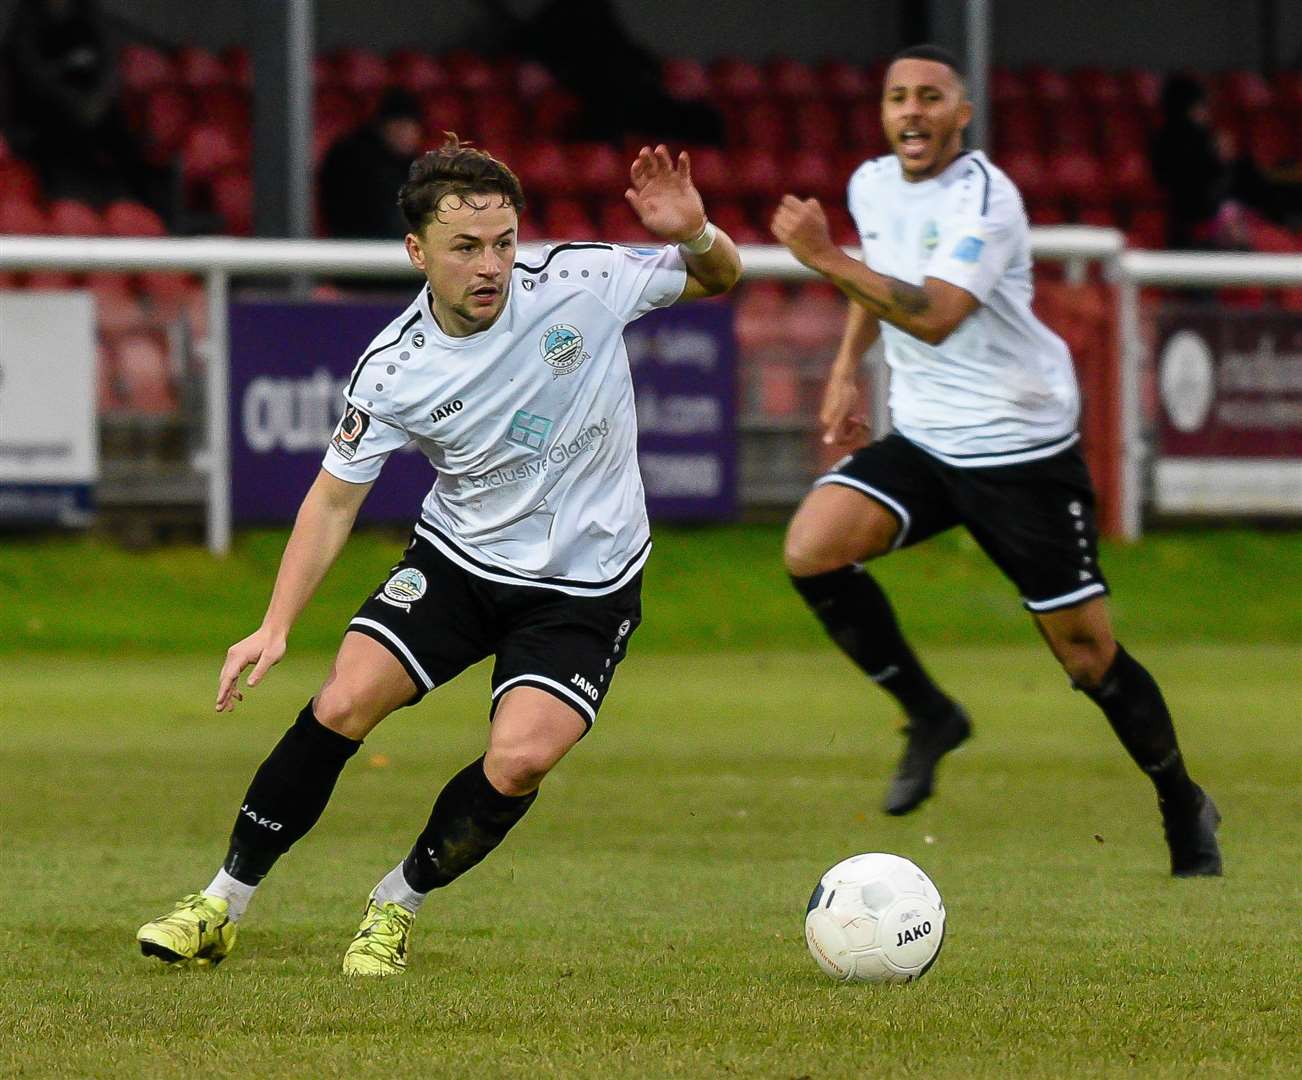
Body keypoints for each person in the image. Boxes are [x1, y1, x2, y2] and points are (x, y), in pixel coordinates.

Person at [136, 136, 742, 974]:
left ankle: (397, 902)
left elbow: (719, 278)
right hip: (458, 562)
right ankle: (221, 903)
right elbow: (333, 498)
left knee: (520, 758)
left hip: (585, 588)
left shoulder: (582, 282)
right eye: (465, 248)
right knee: (343, 699)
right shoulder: (393, 370)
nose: (490, 264)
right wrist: (275, 625)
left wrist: (698, 232)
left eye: (502, 242)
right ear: (418, 252)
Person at [771, 44, 1221, 877]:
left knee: (1087, 658)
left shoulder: (987, 197)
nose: (912, 111)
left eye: (931, 98)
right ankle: (931, 715)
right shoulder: (871, 183)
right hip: (928, 437)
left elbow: (936, 315)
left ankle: (1181, 801)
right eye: (898, 97)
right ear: (883, 112)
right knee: (812, 549)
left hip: (1019, 448)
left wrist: (824, 257)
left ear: (962, 113)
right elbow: (881, 281)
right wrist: (843, 371)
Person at [1, 0, 164, 211]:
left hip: (95, 109)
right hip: (46, 114)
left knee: (128, 143)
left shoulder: (92, 21)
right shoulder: (26, 28)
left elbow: (110, 69)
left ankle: (147, 211)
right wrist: (74, 103)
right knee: (59, 146)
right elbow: (33, 76)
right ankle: (69, 209)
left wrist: (96, 101)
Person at [319, 89, 426, 239]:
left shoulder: (414, 166)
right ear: (384, 127)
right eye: (400, 126)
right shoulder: (352, 158)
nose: (406, 135)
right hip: (353, 246)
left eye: (411, 128)